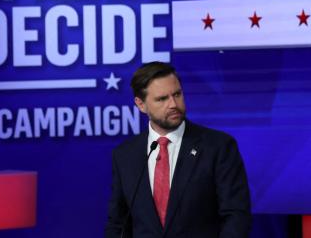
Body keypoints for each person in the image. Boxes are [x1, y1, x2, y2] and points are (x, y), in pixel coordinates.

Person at [105, 62, 252, 237]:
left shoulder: (218, 147)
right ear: (141, 104)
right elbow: (118, 222)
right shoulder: (125, 155)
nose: (173, 104)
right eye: (162, 99)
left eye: (177, 94)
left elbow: (236, 216)